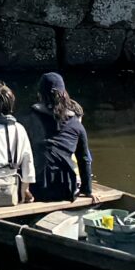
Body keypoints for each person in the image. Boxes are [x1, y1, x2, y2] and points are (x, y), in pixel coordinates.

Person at [30, 71, 94, 204]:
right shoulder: (76, 125)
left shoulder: (29, 119)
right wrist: (87, 190)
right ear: (65, 95)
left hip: (37, 188)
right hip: (66, 188)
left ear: (39, 95)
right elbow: (84, 159)